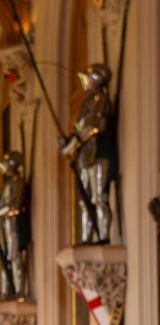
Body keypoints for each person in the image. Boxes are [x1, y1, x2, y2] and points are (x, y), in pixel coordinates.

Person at [60, 63, 117, 244]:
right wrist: (68, 143)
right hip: (84, 156)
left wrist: (73, 144)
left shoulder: (100, 99)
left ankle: (103, 236)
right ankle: (87, 237)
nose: (84, 82)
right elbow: (79, 129)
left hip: (98, 151)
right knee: (84, 202)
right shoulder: (88, 102)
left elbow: (94, 127)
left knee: (99, 198)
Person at [0, 151, 30, 299]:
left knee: (13, 256)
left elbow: (11, 207)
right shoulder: (8, 184)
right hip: (4, 223)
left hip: (13, 223)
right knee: (4, 257)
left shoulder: (18, 182)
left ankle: (19, 289)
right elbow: (1, 204)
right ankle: (6, 289)